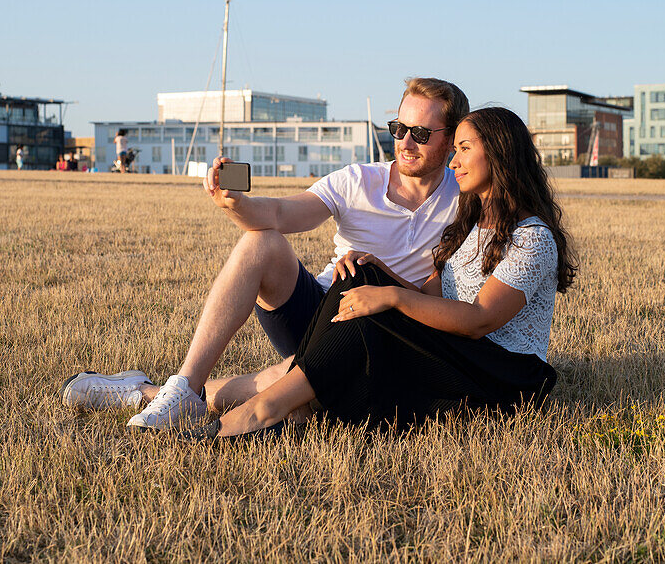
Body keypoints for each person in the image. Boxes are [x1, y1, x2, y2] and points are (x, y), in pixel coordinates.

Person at [61, 78, 470, 429]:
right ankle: (185, 385)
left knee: (291, 390)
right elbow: (279, 213)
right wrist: (235, 202)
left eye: (421, 133)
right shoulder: (358, 180)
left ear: (451, 140)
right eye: (400, 128)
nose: (405, 142)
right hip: (323, 311)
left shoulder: (466, 201)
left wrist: (382, 276)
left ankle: (145, 392)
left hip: (389, 332)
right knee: (262, 241)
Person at [183, 107, 576, 439]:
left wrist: (392, 296)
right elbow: (433, 298)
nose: (454, 161)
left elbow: (479, 321)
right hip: (455, 350)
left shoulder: (532, 237)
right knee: (355, 276)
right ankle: (267, 404)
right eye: (454, 150)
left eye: (464, 149)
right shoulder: (472, 223)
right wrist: (380, 273)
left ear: (501, 153)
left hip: (502, 375)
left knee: (367, 323)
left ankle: (262, 410)